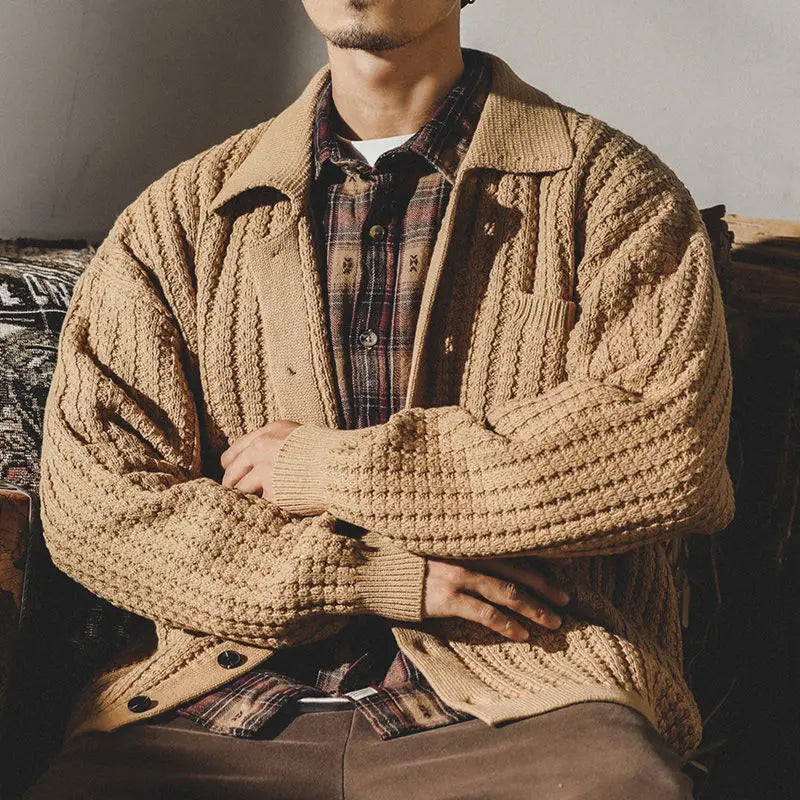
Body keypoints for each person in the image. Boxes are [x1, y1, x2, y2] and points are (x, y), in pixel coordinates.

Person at [27, 0, 735, 797]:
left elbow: (665, 449)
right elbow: (99, 504)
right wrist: (371, 575)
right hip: (214, 703)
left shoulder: (615, 193)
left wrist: (319, 467)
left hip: (534, 699)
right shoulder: (177, 219)